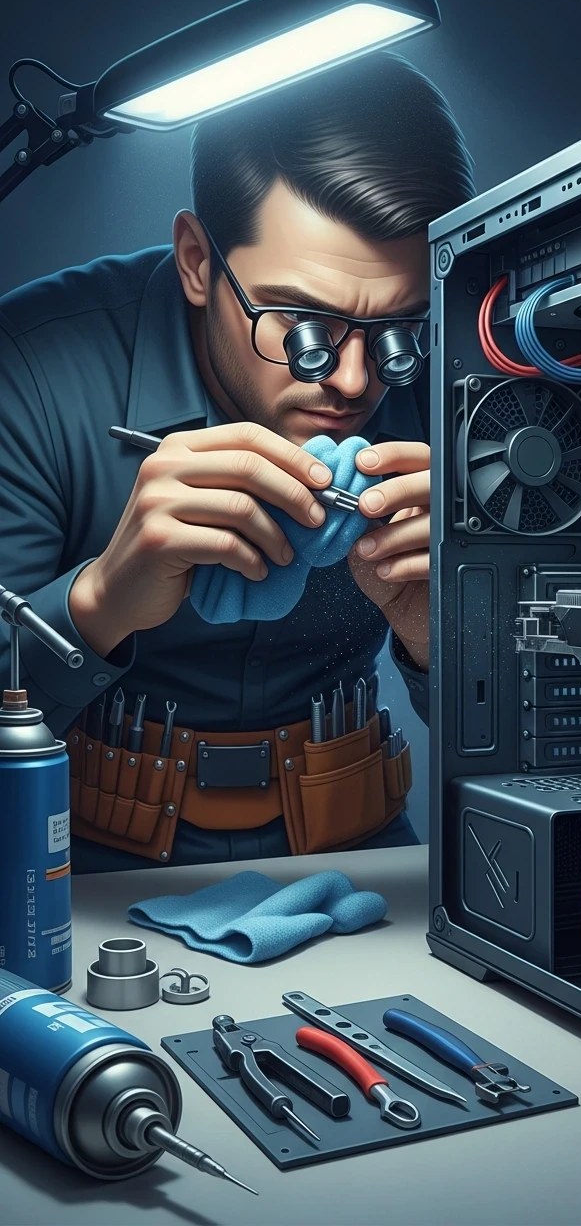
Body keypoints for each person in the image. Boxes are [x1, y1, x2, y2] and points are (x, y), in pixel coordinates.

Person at [0, 51, 475, 872]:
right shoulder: (31, 368)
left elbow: (553, 747)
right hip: (76, 863)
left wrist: (449, 635)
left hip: (362, 852)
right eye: (303, 326)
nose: (354, 380)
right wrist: (97, 604)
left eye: (400, 329)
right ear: (196, 260)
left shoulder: (462, 378)